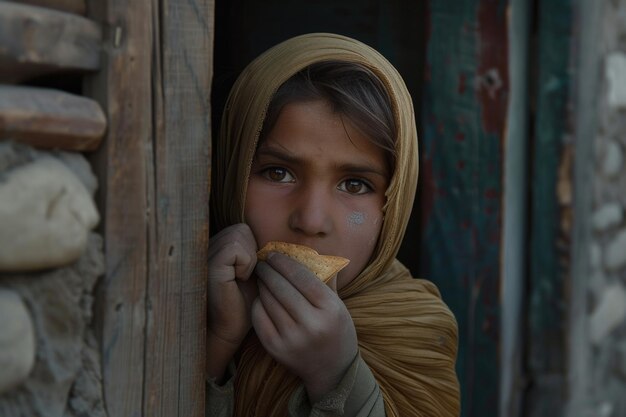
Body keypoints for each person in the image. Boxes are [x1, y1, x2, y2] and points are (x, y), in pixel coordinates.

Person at [207, 33, 460, 417]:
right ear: (231, 173)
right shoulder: (182, 305)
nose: (310, 221)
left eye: (354, 184)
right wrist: (219, 342)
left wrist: (335, 373)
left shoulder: (416, 336)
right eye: (277, 173)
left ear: (394, 204)